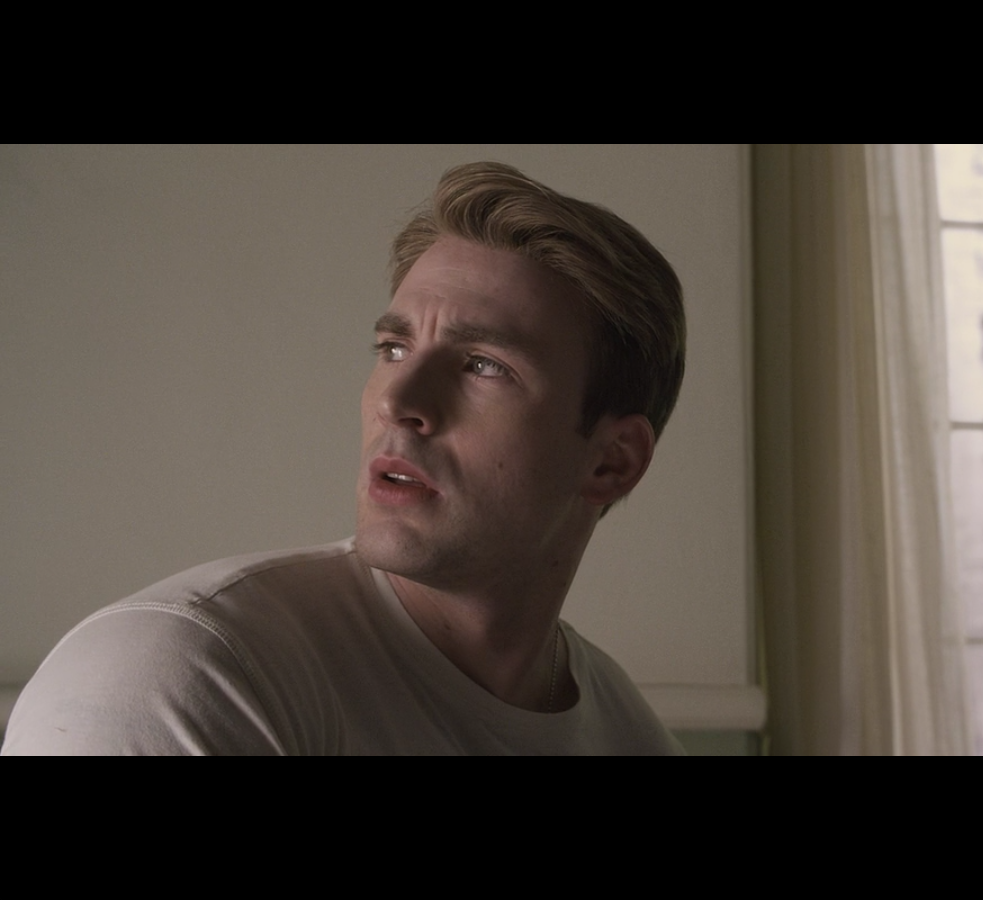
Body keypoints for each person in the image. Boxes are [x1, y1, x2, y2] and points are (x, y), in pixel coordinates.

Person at [2, 162, 687, 755]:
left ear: (612, 462)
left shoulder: (627, 733)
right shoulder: (177, 673)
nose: (397, 400)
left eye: (483, 365)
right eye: (394, 349)